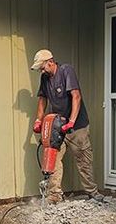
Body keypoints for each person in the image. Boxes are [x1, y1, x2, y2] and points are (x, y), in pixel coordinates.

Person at [31, 49, 103, 204]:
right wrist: (38, 120)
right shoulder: (45, 78)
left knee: (83, 158)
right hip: (57, 124)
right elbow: (42, 99)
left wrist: (71, 121)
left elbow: (76, 96)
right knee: (53, 158)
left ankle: (92, 192)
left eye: (42, 67)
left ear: (50, 61)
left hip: (77, 125)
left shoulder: (66, 71)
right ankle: (55, 195)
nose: (41, 71)